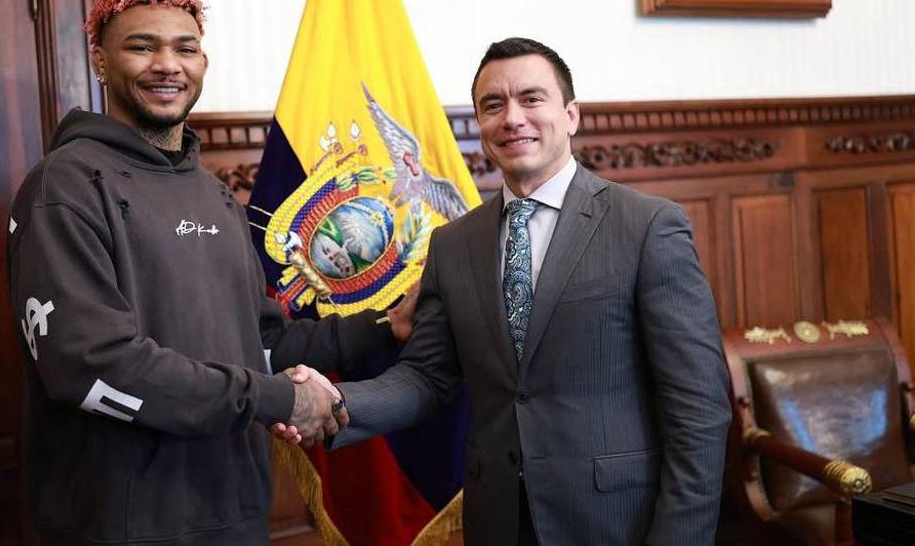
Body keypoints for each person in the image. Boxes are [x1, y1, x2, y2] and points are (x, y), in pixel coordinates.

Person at [6, 0, 413, 546]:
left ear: (203, 60)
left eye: (185, 48)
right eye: (142, 46)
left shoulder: (215, 193)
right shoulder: (64, 185)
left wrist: (384, 326)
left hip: (234, 508)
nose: (167, 65)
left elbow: (263, 343)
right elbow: (92, 366)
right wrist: (281, 398)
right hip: (121, 523)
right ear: (99, 60)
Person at [277, 37, 732, 545]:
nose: (512, 118)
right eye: (493, 105)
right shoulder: (452, 243)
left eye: (532, 99)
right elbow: (428, 377)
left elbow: (699, 408)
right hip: (498, 520)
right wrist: (336, 401)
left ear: (571, 115)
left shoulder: (646, 227)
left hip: (617, 521)